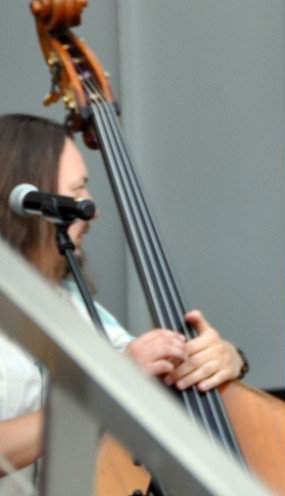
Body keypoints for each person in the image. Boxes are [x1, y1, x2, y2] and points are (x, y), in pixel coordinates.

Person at [0, 113, 247, 491]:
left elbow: (137, 367)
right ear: (26, 204)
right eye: (77, 192)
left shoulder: (72, 304)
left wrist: (223, 357)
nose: (92, 210)